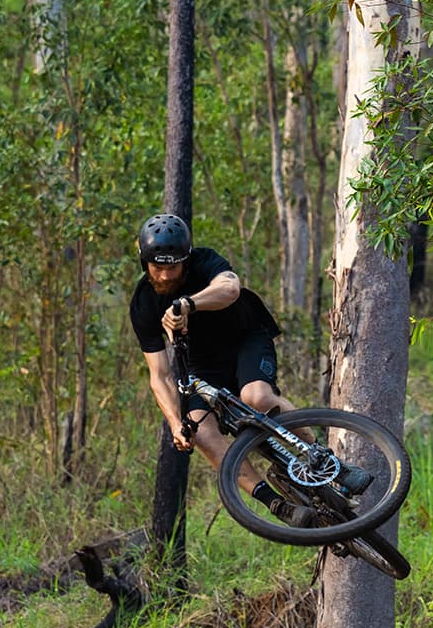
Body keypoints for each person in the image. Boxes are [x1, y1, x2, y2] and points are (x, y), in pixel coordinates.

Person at [128, 212, 327, 526]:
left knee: (257, 398)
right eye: (158, 267)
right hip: (201, 367)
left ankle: (322, 457)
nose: (166, 276)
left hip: (245, 339)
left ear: (186, 259)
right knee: (198, 429)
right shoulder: (143, 304)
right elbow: (160, 374)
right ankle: (274, 503)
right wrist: (175, 421)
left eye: (173, 267)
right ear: (144, 263)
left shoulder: (205, 261)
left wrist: (188, 305)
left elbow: (230, 288)